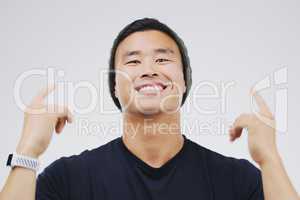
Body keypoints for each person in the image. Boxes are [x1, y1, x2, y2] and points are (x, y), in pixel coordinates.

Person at [0, 18, 299, 200]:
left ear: (184, 81)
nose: (148, 70)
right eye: (132, 61)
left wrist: (270, 159)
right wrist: (29, 149)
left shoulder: (237, 180)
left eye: (162, 59)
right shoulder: (67, 178)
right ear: (115, 87)